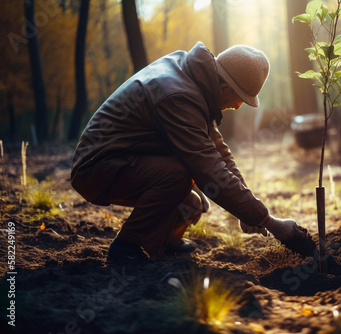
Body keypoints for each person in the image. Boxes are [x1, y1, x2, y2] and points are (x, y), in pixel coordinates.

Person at [71, 41, 313, 263]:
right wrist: (269, 222)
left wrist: (250, 213)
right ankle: (127, 246)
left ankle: (165, 242)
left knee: (191, 203)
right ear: (224, 87)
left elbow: (220, 153)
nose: (238, 106)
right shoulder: (179, 97)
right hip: (96, 168)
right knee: (177, 177)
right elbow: (209, 170)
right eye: (240, 98)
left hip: (124, 160)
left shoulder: (193, 81)